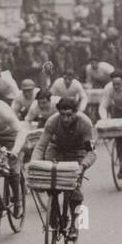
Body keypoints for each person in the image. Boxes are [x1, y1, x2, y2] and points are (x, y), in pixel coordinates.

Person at [36, 96, 98, 227]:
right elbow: (41, 146)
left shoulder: (85, 123)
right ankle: (53, 207)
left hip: (78, 151)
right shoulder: (52, 121)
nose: (65, 119)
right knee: (50, 178)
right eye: (62, 115)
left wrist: (83, 166)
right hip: (57, 149)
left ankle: (75, 225)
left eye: (69, 115)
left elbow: (91, 152)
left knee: (74, 188)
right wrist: (34, 164)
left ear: (76, 112)